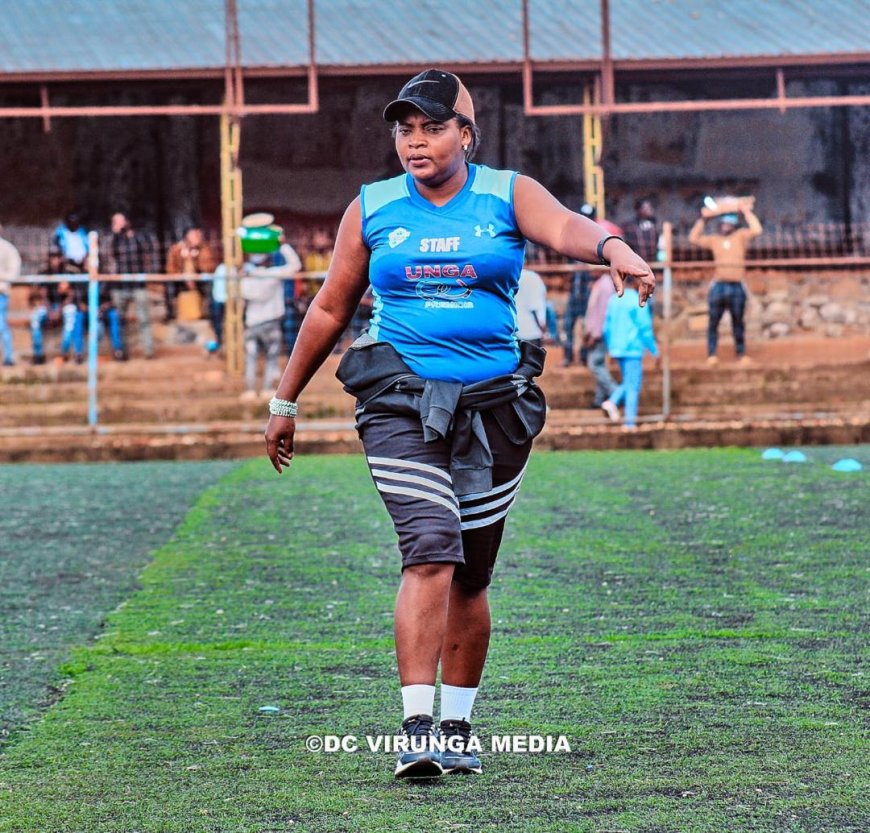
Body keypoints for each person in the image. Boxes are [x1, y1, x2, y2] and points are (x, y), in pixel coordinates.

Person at [262, 68, 654, 779]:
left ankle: (457, 727)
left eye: (433, 127)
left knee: (471, 575)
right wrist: (285, 401)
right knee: (431, 545)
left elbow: (566, 225)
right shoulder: (372, 207)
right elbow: (328, 308)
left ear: (466, 134)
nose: (416, 141)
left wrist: (613, 247)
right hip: (399, 399)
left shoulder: (507, 193)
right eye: (405, 129)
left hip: (495, 405)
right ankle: (415, 725)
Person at [688, 198, 762, 365]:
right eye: (723, 224)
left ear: (733, 226)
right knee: (714, 321)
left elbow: (757, 229)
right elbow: (693, 238)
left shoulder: (741, 236)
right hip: (719, 285)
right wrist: (703, 219)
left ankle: (741, 353)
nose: (725, 227)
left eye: (728, 224)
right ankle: (712, 354)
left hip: (737, 284)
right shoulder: (714, 239)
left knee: (738, 322)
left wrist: (746, 212)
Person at [560, 204, 623, 367]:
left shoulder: (598, 240)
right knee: (568, 324)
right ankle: (568, 356)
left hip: (589, 289)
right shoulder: (572, 238)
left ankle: (584, 356)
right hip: (576, 289)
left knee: (588, 324)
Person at [31, 212, 90, 364]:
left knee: (72, 316)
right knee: (35, 319)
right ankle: (38, 354)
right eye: (53, 257)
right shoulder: (44, 271)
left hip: (64, 306)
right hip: (49, 306)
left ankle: (63, 352)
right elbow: (42, 293)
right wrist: (50, 309)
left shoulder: (70, 271)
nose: (55, 260)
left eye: (58, 257)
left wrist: (59, 309)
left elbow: (71, 294)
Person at [600, 274, 658, 428]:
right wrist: (654, 350)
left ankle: (615, 405)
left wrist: (610, 347)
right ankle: (628, 421)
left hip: (617, 348)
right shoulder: (637, 300)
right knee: (633, 385)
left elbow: (606, 327)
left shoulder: (613, 300)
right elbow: (644, 327)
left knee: (628, 382)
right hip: (633, 348)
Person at [109, 212, 156, 359]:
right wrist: (116, 234)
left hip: (138, 284)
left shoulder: (140, 236)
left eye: (121, 221)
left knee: (144, 319)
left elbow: (149, 251)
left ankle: (148, 351)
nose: (119, 224)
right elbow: (112, 254)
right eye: (115, 222)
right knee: (120, 321)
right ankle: (122, 351)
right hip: (120, 286)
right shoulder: (114, 239)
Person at [166, 226, 218, 319]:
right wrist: (181, 271)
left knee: (209, 288)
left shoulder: (204, 249)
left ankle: (207, 313)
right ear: (187, 236)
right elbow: (170, 268)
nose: (197, 237)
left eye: (198, 235)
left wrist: (194, 259)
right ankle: (172, 314)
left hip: (199, 279)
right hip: (181, 280)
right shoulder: (176, 249)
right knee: (170, 287)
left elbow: (209, 267)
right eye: (194, 235)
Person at [583, 271, 617, 408]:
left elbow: (602, 313)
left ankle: (615, 393)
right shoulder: (601, 284)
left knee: (595, 364)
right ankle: (600, 399)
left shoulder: (605, 286)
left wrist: (594, 334)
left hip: (599, 333)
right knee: (600, 364)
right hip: (597, 332)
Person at [0, 226, 21, 366]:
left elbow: (14, 273)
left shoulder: (7, 249)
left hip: (1, 292)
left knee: (1, 325)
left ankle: (9, 357)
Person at [515, 267, 547, 348]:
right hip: (532, 333)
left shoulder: (512, 275)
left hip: (513, 332)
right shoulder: (534, 278)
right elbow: (536, 307)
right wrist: (543, 330)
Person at [623, 197, 659, 265]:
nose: (650, 210)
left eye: (650, 207)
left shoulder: (654, 224)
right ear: (639, 210)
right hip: (636, 263)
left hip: (652, 263)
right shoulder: (631, 226)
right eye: (647, 208)